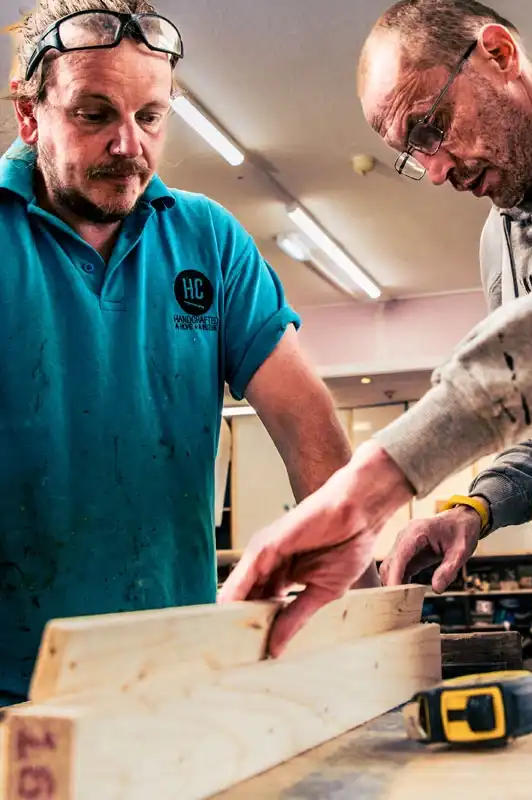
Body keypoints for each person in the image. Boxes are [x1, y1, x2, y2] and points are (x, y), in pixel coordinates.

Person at [0, 0, 369, 706]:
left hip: (175, 680)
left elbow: (306, 428)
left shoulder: (208, 240)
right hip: (12, 690)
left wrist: (364, 605)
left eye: (150, 116)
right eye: (94, 114)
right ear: (30, 113)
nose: (128, 145)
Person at [220, 0, 532, 677]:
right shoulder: (499, 243)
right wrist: (472, 509)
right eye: (411, 152)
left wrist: (368, 489)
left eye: (431, 127)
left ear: (500, 55)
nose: (433, 169)